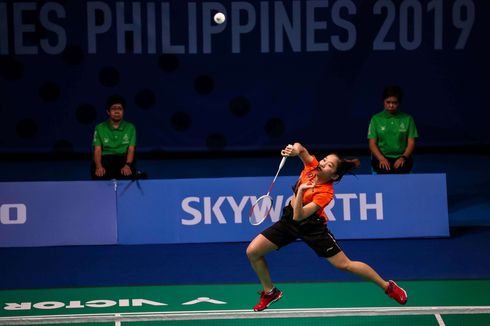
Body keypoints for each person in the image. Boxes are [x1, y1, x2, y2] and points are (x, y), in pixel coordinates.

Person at [246, 143, 407, 312]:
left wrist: (300, 192)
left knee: (345, 265)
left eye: (329, 164)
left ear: (335, 176)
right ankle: (270, 292)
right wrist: (294, 150)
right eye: (324, 160)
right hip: (289, 221)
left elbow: (299, 215)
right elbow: (301, 148)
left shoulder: (326, 193)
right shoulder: (311, 166)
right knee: (253, 252)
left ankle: (387, 286)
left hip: (312, 227)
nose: (322, 163)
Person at [367, 85, 418, 174]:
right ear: (383, 102)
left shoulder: (408, 119)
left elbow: (411, 142)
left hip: (401, 157)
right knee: (384, 172)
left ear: (399, 103)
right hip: (382, 157)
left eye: (394, 103)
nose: (391, 105)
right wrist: (381, 158)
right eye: (388, 102)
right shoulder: (375, 119)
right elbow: (372, 144)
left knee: (401, 172)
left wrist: (404, 157)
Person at [91, 96, 137, 180]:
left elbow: (131, 149)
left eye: (120, 108)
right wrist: (98, 166)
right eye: (113, 109)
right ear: (108, 112)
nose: (116, 111)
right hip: (105, 158)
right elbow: (97, 149)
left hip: (123, 159)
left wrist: (127, 165)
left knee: (128, 177)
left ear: (123, 111)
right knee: (99, 176)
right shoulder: (99, 128)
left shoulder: (131, 127)